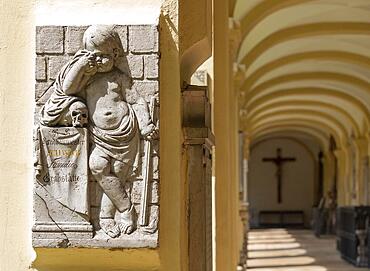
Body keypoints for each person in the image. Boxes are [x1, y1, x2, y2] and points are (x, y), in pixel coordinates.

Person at [41, 25, 157, 237]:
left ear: (115, 54)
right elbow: (67, 89)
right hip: (100, 136)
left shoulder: (119, 78)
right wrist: (82, 65)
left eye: (104, 56)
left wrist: (146, 123)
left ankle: (106, 217)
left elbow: (137, 100)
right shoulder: (86, 78)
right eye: (93, 56)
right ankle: (126, 208)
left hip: (125, 133)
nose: (99, 61)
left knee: (118, 176)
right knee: (98, 166)